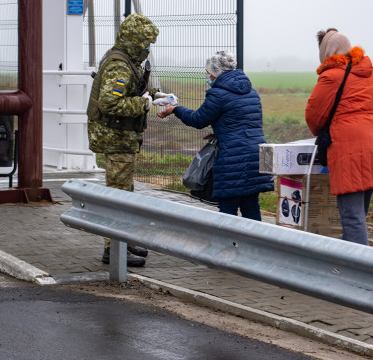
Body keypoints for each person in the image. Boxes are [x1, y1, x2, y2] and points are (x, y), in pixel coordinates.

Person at [87, 13, 176, 267]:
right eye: (147, 43)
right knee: (118, 193)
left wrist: (156, 94)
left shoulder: (128, 60)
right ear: (136, 41)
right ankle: (113, 249)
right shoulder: (119, 65)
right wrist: (144, 104)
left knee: (125, 191)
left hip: (122, 136)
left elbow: (133, 87)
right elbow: (110, 102)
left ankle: (123, 241)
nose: (149, 48)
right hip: (115, 136)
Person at [158, 50, 273, 220]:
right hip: (257, 155)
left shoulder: (218, 94)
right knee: (250, 205)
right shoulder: (252, 92)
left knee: (228, 208)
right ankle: (255, 246)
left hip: (233, 157)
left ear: (215, 74)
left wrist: (176, 109)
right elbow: (242, 123)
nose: (207, 76)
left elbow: (198, 120)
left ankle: (227, 245)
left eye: (208, 73)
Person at [304, 29, 373, 245]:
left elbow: (313, 118)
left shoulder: (331, 76)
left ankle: (358, 272)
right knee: (359, 216)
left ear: (327, 52)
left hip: (350, 151)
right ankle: (348, 265)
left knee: (352, 219)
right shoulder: (370, 73)